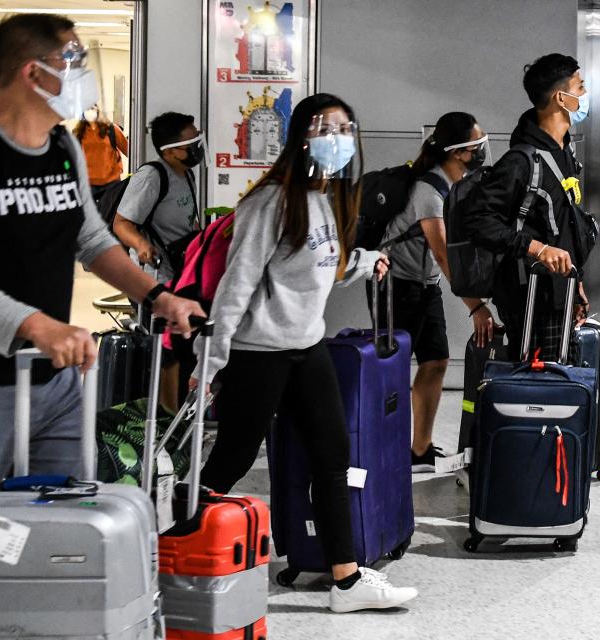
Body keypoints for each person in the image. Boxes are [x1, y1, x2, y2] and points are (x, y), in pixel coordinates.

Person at [193, 93, 418, 613]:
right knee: (233, 456)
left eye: (346, 129)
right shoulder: (269, 201)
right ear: (301, 136)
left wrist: (367, 261)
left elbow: (323, 265)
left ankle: (346, 580)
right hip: (259, 352)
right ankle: (173, 546)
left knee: (332, 457)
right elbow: (237, 285)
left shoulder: (326, 196)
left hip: (307, 347)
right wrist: (212, 361)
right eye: (327, 128)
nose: (338, 139)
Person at [0, 13, 203, 487]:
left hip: (55, 377)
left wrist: (157, 297)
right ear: (33, 72)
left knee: (65, 522)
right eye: (74, 59)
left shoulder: (64, 148)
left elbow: (91, 239)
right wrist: (36, 325)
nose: (83, 73)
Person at [373, 111, 496, 471]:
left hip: (425, 285)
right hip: (394, 287)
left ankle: (419, 450)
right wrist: (476, 307)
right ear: (458, 152)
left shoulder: (454, 185)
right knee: (392, 371)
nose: (482, 148)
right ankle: (384, 451)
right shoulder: (429, 189)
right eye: (477, 143)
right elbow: (443, 254)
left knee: (436, 362)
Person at [463, 53, 595, 361]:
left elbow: (565, 223)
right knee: (539, 397)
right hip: (530, 296)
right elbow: (477, 220)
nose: (585, 95)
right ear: (560, 97)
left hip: (558, 291)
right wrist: (536, 248)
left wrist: (575, 282)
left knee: (561, 382)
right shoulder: (521, 161)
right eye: (580, 86)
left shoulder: (564, 153)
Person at [113, 111, 202, 282]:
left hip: (180, 267)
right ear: (169, 152)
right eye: (190, 145)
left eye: (197, 141)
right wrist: (141, 244)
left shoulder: (187, 174)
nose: (197, 149)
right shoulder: (151, 177)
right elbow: (121, 223)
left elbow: (187, 219)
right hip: (154, 275)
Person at [73, 104, 128, 201]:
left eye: (92, 109)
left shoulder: (111, 129)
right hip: (88, 182)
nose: (90, 112)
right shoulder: (78, 132)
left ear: (98, 110)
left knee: (110, 213)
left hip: (111, 181)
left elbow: (129, 150)